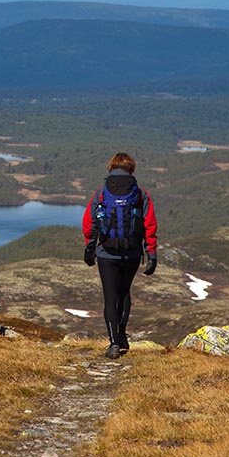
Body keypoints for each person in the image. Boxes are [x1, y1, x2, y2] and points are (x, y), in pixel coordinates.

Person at [82, 152, 158, 358]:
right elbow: (149, 225)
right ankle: (122, 335)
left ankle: (113, 342)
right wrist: (151, 253)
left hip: (106, 253)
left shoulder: (101, 193)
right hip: (132, 253)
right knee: (124, 293)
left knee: (110, 296)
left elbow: (89, 223)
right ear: (131, 169)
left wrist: (89, 249)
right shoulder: (141, 194)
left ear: (111, 168)